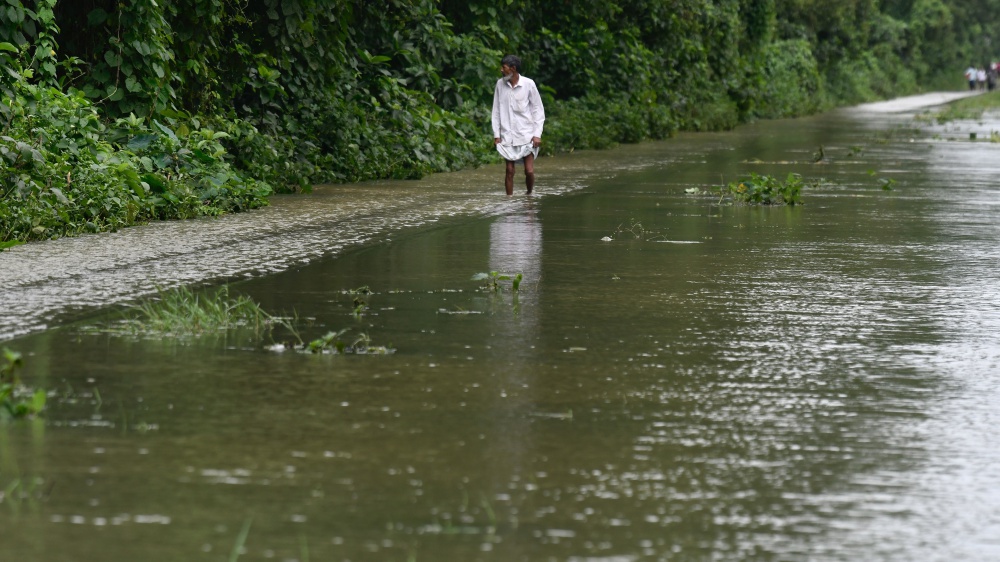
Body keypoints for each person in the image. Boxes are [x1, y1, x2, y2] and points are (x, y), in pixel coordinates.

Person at [492, 54, 545, 195]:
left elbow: (538, 110)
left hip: (526, 134)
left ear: (513, 69)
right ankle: (509, 201)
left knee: (529, 170)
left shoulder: (529, 84)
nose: (501, 70)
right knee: (509, 170)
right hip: (507, 135)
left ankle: (529, 195)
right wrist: (496, 134)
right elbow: (496, 111)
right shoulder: (500, 84)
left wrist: (537, 135)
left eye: (504, 68)